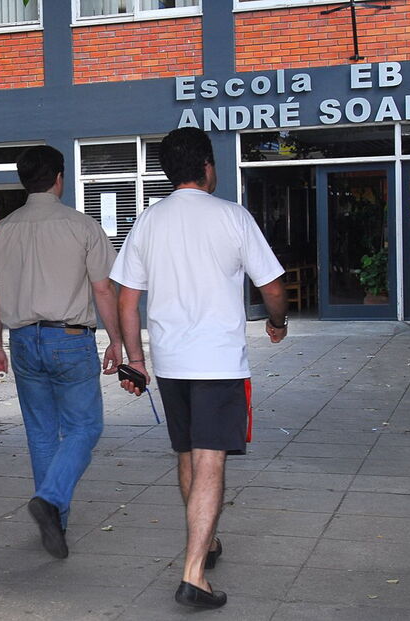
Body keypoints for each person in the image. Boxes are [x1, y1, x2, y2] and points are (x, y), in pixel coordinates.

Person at [109, 127, 288, 609]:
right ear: (208, 166)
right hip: (217, 362)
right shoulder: (232, 217)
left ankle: (205, 544)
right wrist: (278, 321)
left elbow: (128, 299)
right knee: (211, 459)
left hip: (170, 363)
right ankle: (193, 577)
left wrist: (136, 360)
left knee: (188, 456)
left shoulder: (148, 220)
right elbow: (271, 285)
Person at [0, 145, 123, 559]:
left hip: (23, 340)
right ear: (59, 178)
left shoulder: (1, 230)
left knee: (42, 433)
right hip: (70, 339)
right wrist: (117, 341)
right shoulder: (82, 227)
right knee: (85, 428)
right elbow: (103, 288)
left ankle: (55, 524)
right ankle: (51, 500)